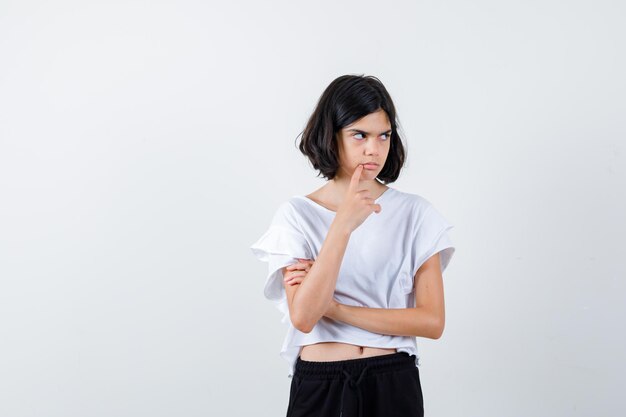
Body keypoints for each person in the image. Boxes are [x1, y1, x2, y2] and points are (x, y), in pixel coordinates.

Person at [250, 74, 456, 417]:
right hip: (321, 384)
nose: (373, 149)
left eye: (383, 135)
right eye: (359, 135)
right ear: (332, 136)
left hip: (392, 382)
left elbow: (432, 321)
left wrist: (335, 309)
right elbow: (303, 316)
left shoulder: (415, 213)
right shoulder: (296, 215)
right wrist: (343, 224)